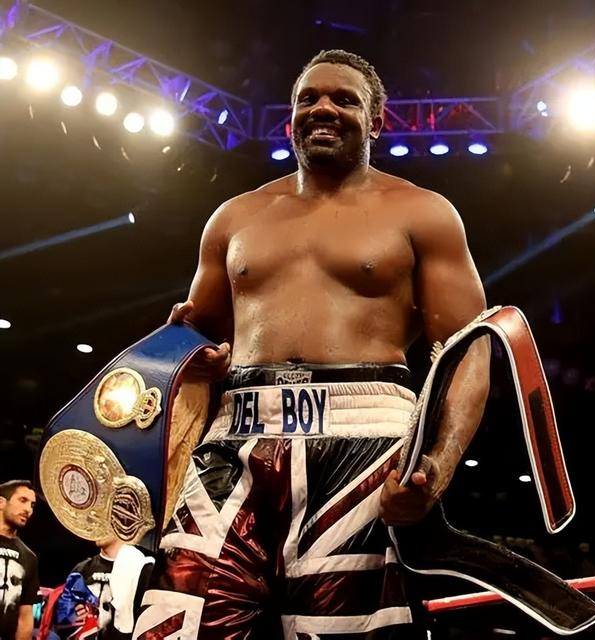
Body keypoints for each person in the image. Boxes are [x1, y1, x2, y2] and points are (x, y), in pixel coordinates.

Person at [133, 49, 490, 638]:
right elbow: (200, 343)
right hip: (236, 439)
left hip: (365, 440)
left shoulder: (424, 212)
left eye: (344, 99)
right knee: (178, 621)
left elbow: (470, 349)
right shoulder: (233, 218)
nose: (324, 108)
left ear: (376, 121)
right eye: (309, 98)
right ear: (291, 116)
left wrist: (436, 466)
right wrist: (185, 353)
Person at [0, 480, 39, 640]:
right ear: (1, 502)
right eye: (23, 500)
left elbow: (25, 616)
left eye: (32, 505)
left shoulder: (29, 557)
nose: (28, 509)